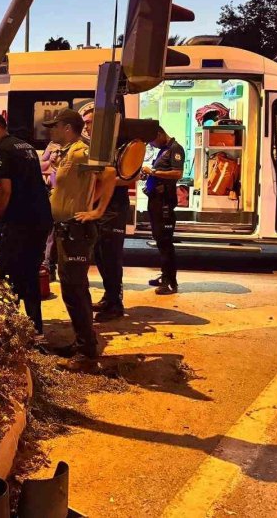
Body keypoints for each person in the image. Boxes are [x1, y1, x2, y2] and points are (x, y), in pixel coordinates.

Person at [43, 109, 116, 369]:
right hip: (66, 229)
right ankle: (82, 342)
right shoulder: (67, 152)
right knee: (72, 288)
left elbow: (109, 174)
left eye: (54, 126)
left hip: (76, 231)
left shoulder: (80, 152)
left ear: (67, 128)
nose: (50, 131)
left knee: (75, 290)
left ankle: (86, 351)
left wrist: (96, 210)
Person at [0, 113, 52, 338]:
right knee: (30, 274)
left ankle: (10, 329)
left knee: (8, 275)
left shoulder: (3, 150)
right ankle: (35, 329)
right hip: (40, 218)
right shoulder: (26, 146)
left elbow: (5, 189)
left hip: (20, 221)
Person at [83, 108, 135, 322]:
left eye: (90, 122)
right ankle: (109, 297)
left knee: (112, 258)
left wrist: (106, 180)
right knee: (102, 255)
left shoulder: (121, 145)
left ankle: (116, 304)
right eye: (85, 123)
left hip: (114, 209)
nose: (86, 126)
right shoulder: (97, 148)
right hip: (101, 209)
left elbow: (132, 176)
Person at [143, 126, 185, 295]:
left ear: (159, 134)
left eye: (152, 141)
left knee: (165, 242)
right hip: (156, 200)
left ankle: (170, 282)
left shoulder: (175, 149)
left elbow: (177, 173)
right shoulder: (164, 150)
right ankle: (165, 275)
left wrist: (153, 171)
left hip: (165, 202)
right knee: (160, 240)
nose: (152, 145)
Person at [39, 140, 63, 283]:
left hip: (63, 194)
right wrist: (50, 162)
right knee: (49, 233)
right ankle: (48, 267)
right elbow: (40, 165)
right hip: (51, 192)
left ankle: (52, 266)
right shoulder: (53, 145)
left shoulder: (75, 146)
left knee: (56, 235)